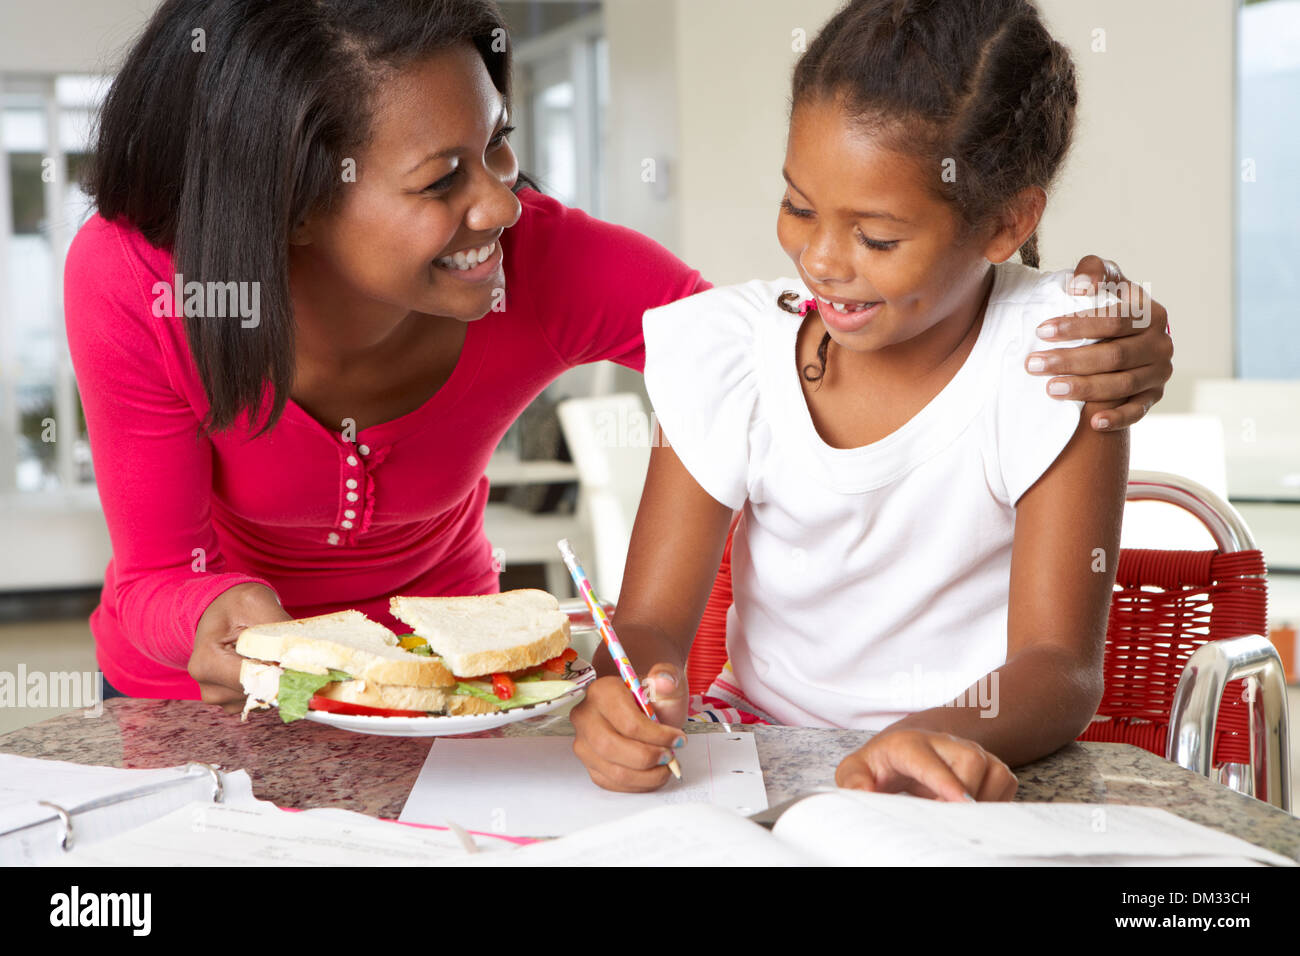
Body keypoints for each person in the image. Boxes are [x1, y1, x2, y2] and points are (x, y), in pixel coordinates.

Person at [66, 0, 1170, 709]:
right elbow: (161, 574)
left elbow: (778, 353)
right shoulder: (140, 281)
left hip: (456, 687)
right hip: (200, 684)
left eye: (498, 144)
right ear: (296, 205)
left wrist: (1064, 312)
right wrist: (231, 627)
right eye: (442, 179)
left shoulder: (546, 263)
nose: (504, 200)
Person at [571, 0, 1137, 802]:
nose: (823, 260)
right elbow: (650, 624)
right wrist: (629, 696)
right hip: (754, 764)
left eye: (876, 238)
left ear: (1006, 224)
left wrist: (933, 736)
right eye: (799, 207)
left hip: (957, 765)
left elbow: (1061, 665)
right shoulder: (733, 355)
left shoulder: (1058, 360)